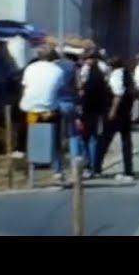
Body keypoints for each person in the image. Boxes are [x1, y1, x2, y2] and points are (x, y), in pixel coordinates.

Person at [20, 45, 65, 181]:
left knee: (31, 136)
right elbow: (59, 90)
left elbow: (25, 86)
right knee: (55, 139)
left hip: (31, 108)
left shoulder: (30, 68)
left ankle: (31, 168)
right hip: (49, 109)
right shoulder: (58, 70)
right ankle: (57, 170)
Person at [97, 57, 136, 182]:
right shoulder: (127, 74)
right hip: (126, 112)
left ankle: (96, 167)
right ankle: (128, 170)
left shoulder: (115, 76)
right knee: (126, 141)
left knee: (105, 139)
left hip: (116, 111)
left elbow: (117, 95)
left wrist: (112, 111)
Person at [55, 50, 86, 177]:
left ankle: (58, 170)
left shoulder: (54, 65)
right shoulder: (73, 67)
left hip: (55, 103)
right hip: (70, 103)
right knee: (73, 135)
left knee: (56, 137)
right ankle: (75, 166)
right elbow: (79, 86)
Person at [79, 49, 111, 177]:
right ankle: (94, 166)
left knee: (88, 138)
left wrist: (82, 104)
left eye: (87, 58)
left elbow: (85, 91)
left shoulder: (91, 72)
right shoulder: (102, 70)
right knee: (94, 138)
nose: (86, 61)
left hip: (90, 109)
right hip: (99, 109)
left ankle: (90, 166)